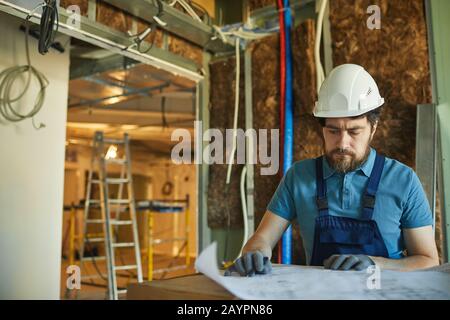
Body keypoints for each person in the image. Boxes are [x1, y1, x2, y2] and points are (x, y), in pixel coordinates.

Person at [225, 63, 439, 276]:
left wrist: (376, 264)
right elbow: (262, 239)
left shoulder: (404, 180)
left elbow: (428, 260)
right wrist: (254, 253)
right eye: (333, 131)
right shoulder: (299, 177)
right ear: (323, 128)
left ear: (373, 129)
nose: (342, 143)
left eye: (354, 131)